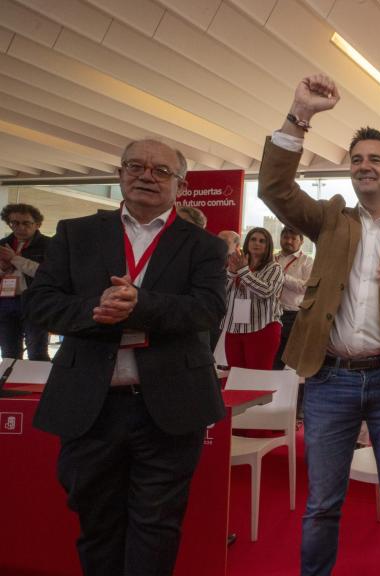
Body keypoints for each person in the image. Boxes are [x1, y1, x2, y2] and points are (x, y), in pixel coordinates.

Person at [257, 74, 380, 576]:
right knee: (323, 503)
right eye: (356, 160)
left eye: (375, 159)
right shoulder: (331, 220)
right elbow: (274, 187)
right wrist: (300, 115)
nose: (364, 166)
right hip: (329, 380)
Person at [25, 139, 227, 575]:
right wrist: (94, 310)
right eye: (135, 166)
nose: (146, 176)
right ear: (119, 175)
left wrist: (140, 304)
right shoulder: (75, 233)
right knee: (97, 522)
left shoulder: (203, 245)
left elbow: (208, 309)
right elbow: (41, 303)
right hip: (91, 407)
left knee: (157, 525)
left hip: (169, 408)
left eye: (160, 171)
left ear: (181, 184)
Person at [222, 227, 283, 370]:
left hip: (262, 327)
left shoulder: (274, 268)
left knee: (256, 379)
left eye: (262, 241)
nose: (257, 243)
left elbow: (266, 291)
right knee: (235, 376)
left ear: (268, 246)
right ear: (247, 242)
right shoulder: (236, 262)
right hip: (235, 328)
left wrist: (243, 271)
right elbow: (221, 292)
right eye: (253, 239)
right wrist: (231, 272)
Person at [0, 203, 51, 360]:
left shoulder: (49, 245)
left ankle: (42, 384)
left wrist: (15, 259)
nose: (20, 227)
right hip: (6, 302)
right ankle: (10, 384)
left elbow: (45, 273)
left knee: (37, 351)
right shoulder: (2, 244)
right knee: (9, 353)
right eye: (14, 223)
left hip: (35, 302)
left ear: (37, 224)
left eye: (26, 223)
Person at [273, 226, 313, 370]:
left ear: (301, 241)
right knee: (271, 358)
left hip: (292, 315)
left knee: (288, 361)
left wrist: (282, 277)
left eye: (293, 238)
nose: (288, 241)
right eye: (285, 237)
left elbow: (306, 288)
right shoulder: (272, 259)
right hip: (269, 314)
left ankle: (287, 391)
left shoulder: (308, 261)